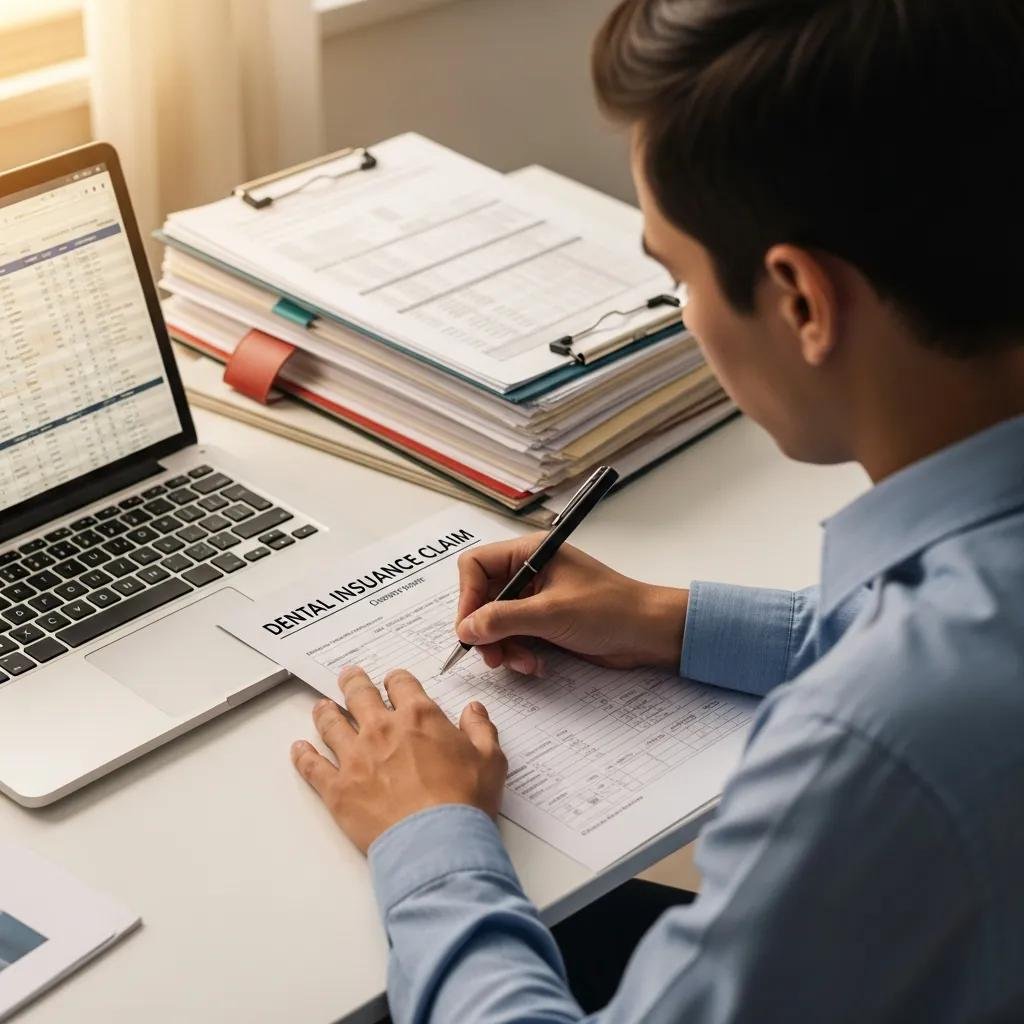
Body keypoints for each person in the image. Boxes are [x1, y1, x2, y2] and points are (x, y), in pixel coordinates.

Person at [289, 0, 1024, 1020]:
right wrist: (670, 622)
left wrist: (427, 834)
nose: (683, 308)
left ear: (802, 301)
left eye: (674, 275)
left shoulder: (872, 750)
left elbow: (925, 697)